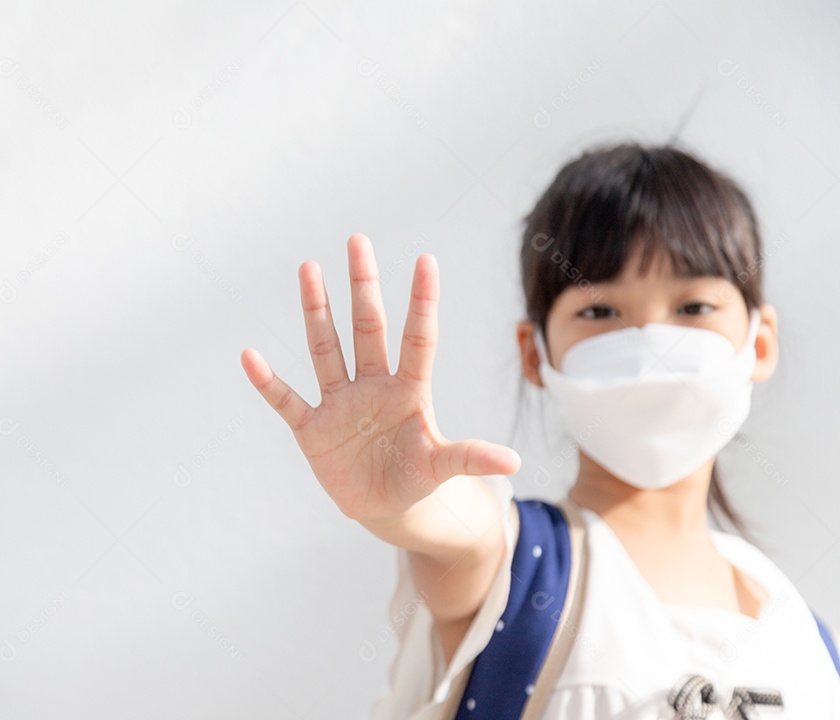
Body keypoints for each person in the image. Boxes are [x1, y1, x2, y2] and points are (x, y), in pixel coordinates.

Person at [239, 141, 840, 718]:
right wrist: (402, 496)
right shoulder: (524, 564)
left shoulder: (803, 632)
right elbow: (459, 532)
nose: (650, 342)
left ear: (760, 343)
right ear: (535, 354)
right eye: (600, 311)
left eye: (693, 308)